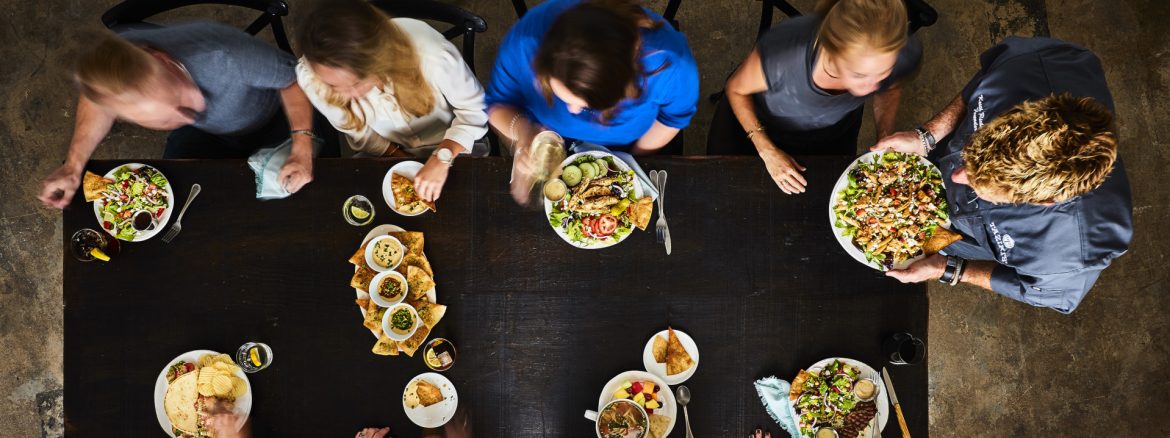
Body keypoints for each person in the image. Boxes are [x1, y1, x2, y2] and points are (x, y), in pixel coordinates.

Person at [875, 36, 1133, 314]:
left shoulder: (1068, 255)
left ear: (1043, 201)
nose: (955, 176)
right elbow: (986, 80)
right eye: (970, 155)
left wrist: (947, 268)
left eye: (979, 184)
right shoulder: (1034, 66)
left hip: (972, 238)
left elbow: (1038, 291)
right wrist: (928, 135)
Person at [37, 22, 319, 208]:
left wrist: (302, 144)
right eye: (165, 121)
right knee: (175, 196)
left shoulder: (231, 57)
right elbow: (95, 97)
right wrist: (74, 167)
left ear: (164, 61)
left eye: (180, 98)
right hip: (209, 133)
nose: (193, 109)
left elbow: (294, 80)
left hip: (274, 119)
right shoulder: (120, 63)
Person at [485, 0, 699, 199]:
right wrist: (524, 135)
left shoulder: (672, 64)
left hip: (632, 147)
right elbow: (498, 104)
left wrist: (632, 163)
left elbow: (672, 119)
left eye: (587, 105)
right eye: (559, 93)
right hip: (547, 140)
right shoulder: (525, 43)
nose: (574, 111)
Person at [711, 0, 921, 195]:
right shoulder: (783, 53)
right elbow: (736, 89)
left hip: (833, 133)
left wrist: (884, 134)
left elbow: (890, 89)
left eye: (882, 73)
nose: (870, 88)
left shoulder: (901, 52)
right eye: (859, 75)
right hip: (757, 127)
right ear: (830, 50)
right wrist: (767, 150)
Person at [296, 0, 489, 202]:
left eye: (356, 83)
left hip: (456, 143)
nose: (345, 97)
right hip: (384, 153)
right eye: (334, 86)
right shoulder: (312, 77)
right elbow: (361, 134)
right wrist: (404, 162)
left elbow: (475, 111)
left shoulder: (431, 54)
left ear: (379, 61)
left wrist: (442, 157)